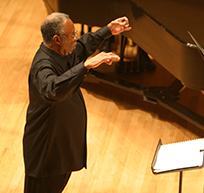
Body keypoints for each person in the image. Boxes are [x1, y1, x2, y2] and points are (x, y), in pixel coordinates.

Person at [22, 12, 131, 193]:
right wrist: (85, 66)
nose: (76, 38)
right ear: (57, 39)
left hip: (61, 147)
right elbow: (53, 89)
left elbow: (81, 47)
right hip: (46, 153)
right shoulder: (43, 66)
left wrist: (108, 31)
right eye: (72, 34)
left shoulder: (63, 52)